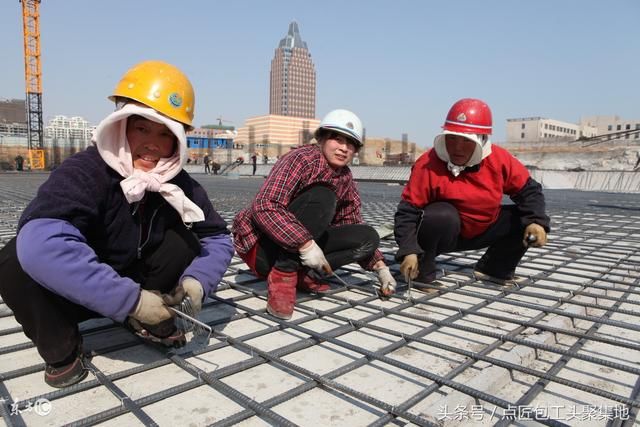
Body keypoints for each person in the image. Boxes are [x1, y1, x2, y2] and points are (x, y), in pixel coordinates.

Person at [0, 60, 234, 388]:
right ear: (120, 126)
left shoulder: (180, 184)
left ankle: (152, 319)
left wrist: (197, 283)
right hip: (77, 292)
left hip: (139, 280)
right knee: (15, 261)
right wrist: (130, 301)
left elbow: (218, 239)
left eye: (166, 134)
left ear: (179, 141)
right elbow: (41, 242)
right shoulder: (86, 171)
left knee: (186, 240)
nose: (153, 144)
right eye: (142, 129)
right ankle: (64, 349)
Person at [233, 109, 397, 319]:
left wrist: (379, 267)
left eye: (351, 144)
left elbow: (351, 221)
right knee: (323, 197)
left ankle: (303, 274)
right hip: (262, 249)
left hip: (299, 250)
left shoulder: (345, 177)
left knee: (368, 238)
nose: (343, 148)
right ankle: (284, 275)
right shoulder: (301, 159)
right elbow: (265, 205)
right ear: (321, 138)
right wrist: (305, 244)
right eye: (337, 140)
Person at [394, 98, 550, 287]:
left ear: (482, 140)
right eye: (451, 138)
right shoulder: (428, 163)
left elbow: (529, 192)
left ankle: (493, 268)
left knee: (522, 218)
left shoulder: (499, 160)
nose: (457, 148)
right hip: (446, 233)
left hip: (483, 229)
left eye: (466, 141)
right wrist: (409, 250)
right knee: (440, 215)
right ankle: (421, 273)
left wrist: (537, 222)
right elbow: (407, 211)